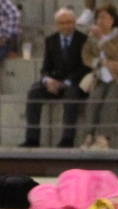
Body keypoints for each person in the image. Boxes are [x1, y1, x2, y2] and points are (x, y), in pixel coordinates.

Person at [21, 8, 89, 148]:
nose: (66, 26)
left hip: (74, 82)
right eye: (62, 23)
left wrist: (67, 83)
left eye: (69, 22)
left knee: (72, 95)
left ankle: (67, 139)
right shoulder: (51, 40)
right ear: (56, 25)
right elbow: (46, 68)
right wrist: (48, 81)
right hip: (56, 81)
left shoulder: (83, 40)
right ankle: (32, 138)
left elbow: (85, 67)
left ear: (74, 23)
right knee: (34, 92)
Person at [79, 5, 118, 149]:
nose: (100, 21)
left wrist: (102, 39)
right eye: (98, 18)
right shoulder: (92, 37)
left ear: (112, 20)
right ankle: (89, 135)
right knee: (94, 99)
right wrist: (103, 62)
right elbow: (86, 56)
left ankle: (104, 138)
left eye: (104, 17)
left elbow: (117, 55)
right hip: (101, 76)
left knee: (110, 101)